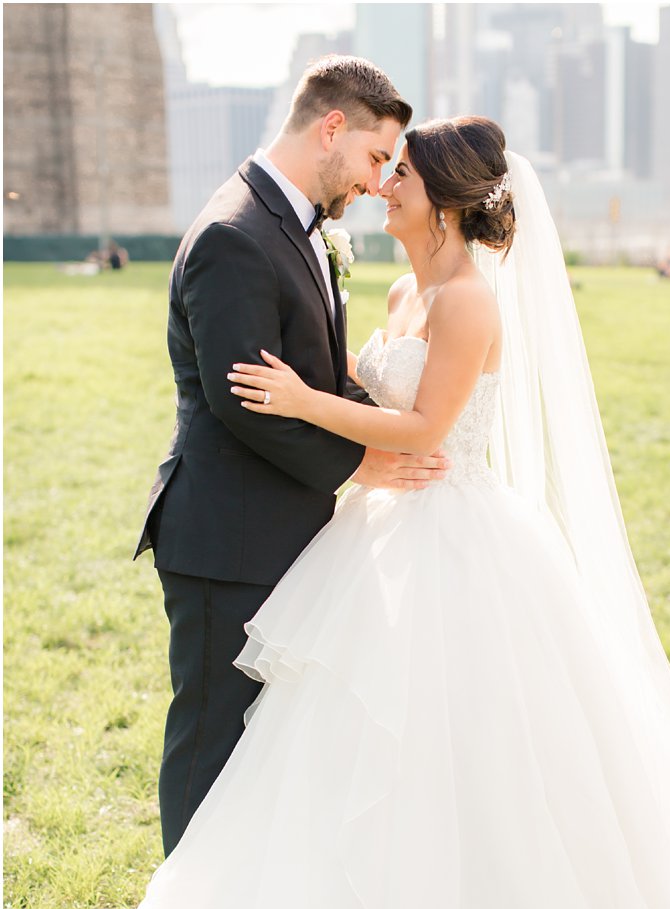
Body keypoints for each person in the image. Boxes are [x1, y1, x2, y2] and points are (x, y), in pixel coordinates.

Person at [75, 116, 670, 909]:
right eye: (382, 169)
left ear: (438, 198)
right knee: (346, 748)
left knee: (467, 751)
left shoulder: (473, 301)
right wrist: (324, 394)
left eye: (397, 176)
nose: (379, 186)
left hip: (462, 544)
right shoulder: (406, 291)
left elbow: (423, 429)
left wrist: (307, 400)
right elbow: (378, 392)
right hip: (384, 535)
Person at [137, 55, 444, 857]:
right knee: (211, 743)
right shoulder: (234, 235)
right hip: (226, 540)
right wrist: (366, 465)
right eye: (378, 157)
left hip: (284, 532)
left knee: (266, 748)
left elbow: (312, 371)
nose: (381, 181)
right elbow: (248, 401)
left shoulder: (297, 224)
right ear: (331, 129)